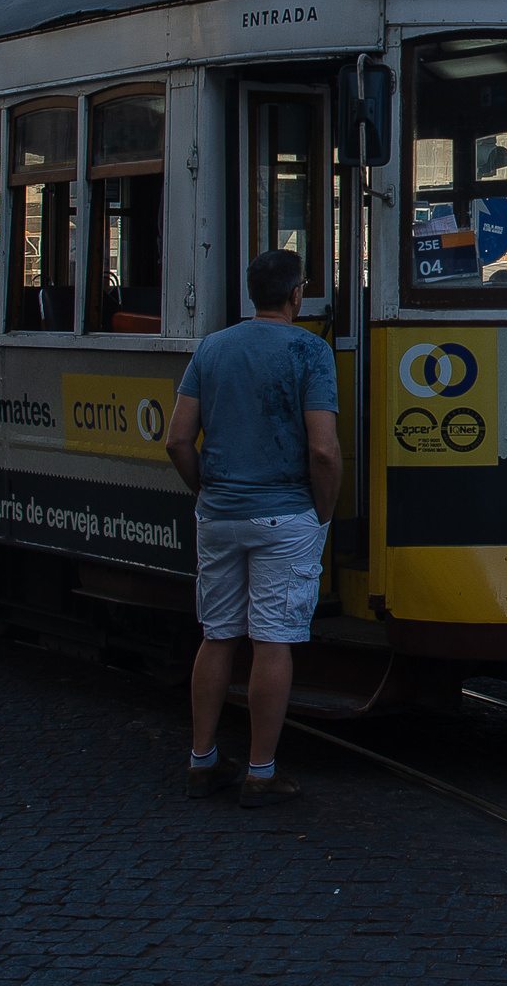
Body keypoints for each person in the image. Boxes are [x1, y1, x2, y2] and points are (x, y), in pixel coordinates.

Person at [164, 249, 342, 809]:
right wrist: (324, 512)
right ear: (296, 295)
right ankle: (261, 772)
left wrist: (207, 492)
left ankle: (201, 761)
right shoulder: (310, 351)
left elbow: (176, 439)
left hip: (219, 513)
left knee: (217, 635)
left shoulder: (212, 348)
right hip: (285, 516)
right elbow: (323, 449)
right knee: (272, 640)